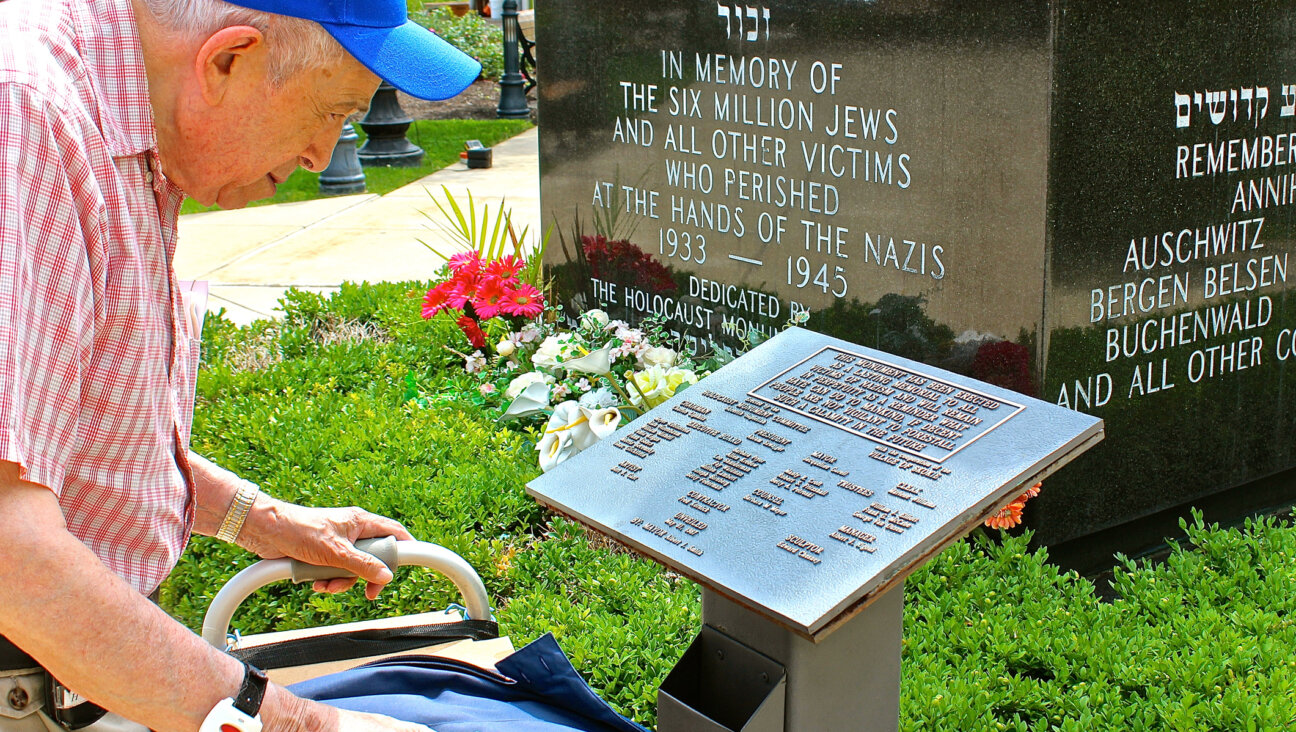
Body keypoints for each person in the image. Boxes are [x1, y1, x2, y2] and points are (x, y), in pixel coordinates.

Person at [0, 1, 481, 731]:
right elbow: (9, 545)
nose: (325, 154)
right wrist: (299, 723)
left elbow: (73, 431)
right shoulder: (25, 116)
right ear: (227, 59)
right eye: (333, 111)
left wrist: (262, 520)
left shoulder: (130, 114)